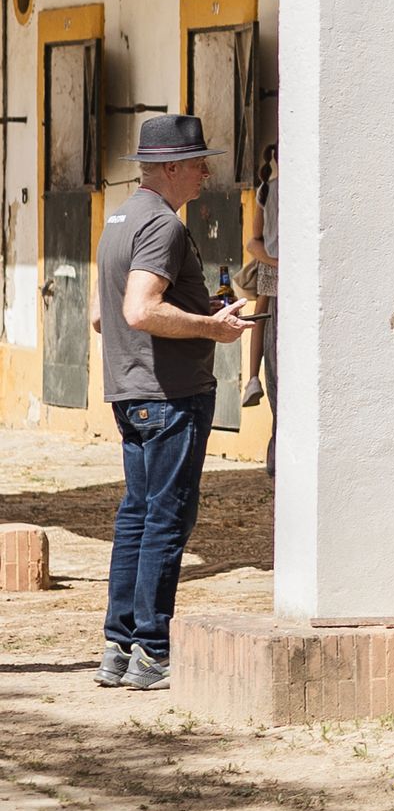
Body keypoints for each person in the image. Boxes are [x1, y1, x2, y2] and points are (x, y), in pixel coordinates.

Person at [89, 115, 250, 690]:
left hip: (131, 390)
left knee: (137, 515)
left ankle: (119, 647)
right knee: (166, 518)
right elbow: (136, 311)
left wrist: (191, 308)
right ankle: (153, 651)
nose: (206, 172)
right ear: (173, 167)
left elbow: (101, 315)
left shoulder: (119, 219)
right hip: (170, 395)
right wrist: (212, 327)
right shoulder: (163, 226)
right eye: (199, 163)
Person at [243, 144, 280, 475]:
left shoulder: (266, 190)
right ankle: (253, 376)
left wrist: (271, 260)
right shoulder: (271, 191)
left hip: (272, 268)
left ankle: (253, 377)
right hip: (281, 270)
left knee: (261, 321)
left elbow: (252, 243)